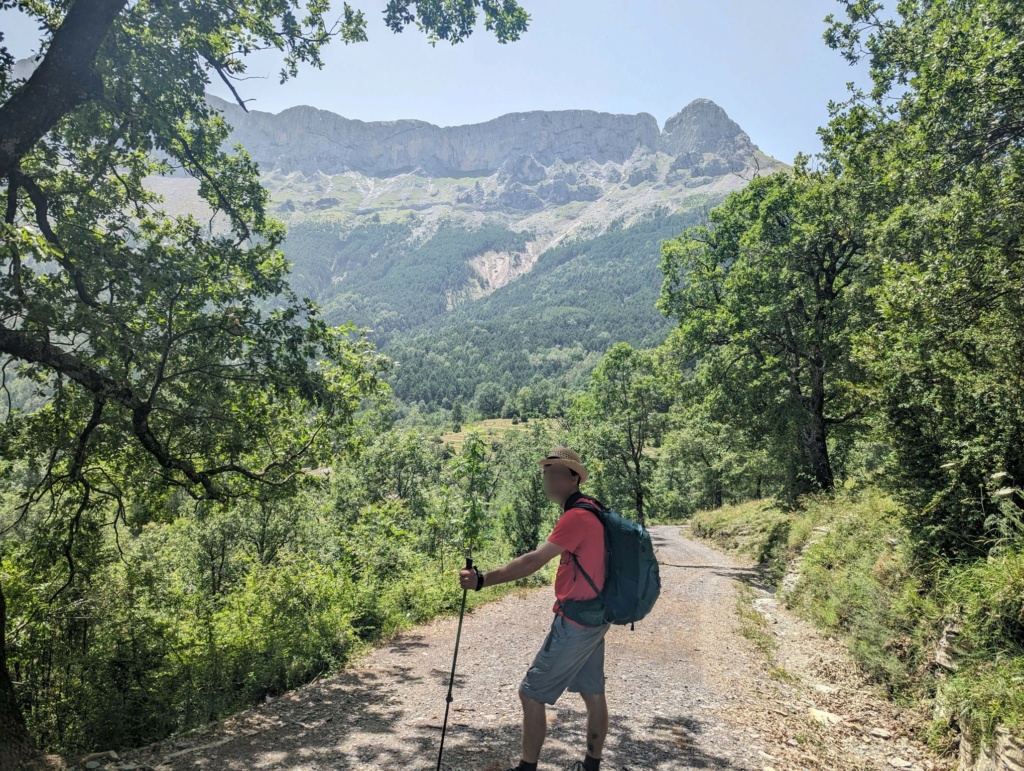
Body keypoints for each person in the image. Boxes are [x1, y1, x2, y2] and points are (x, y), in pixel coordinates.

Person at [459, 446, 610, 771]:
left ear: (574, 479)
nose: (549, 477)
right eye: (546, 471)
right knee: (592, 691)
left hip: (577, 621)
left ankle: (526, 768)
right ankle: (591, 765)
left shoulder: (577, 516)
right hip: (596, 615)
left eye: (557, 472)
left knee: (530, 694)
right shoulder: (592, 510)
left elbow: (533, 561)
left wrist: (482, 580)